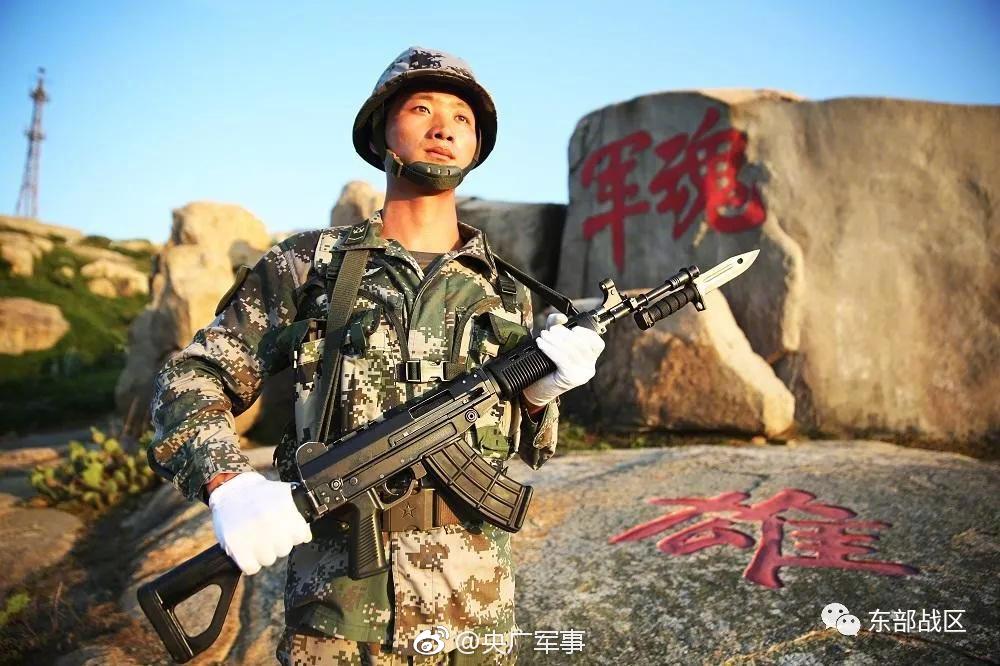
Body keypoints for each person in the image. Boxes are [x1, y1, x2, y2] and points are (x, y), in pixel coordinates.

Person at [148, 46, 605, 665]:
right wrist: (228, 484)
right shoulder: (311, 265)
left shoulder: (507, 292)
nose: (443, 126)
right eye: (421, 107)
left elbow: (522, 455)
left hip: (474, 616)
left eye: (462, 118)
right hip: (338, 620)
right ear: (380, 131)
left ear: (476, 146)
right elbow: (192, 380)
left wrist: (539, 393)